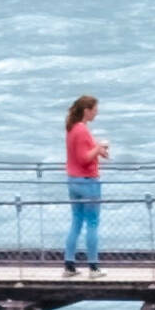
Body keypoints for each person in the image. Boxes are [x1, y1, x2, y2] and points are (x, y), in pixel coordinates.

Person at [60, 94, 105, 273]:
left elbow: (81, 154)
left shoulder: (71, 129)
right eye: (95, 109)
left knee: (76, 221)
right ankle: (93, 266)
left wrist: (98, 150)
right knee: (92, 223)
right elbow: (84, 158)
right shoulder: (82, 130)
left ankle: (69, 263)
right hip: (87, 181)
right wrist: (98, 148)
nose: (97, 113)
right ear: (86, 111)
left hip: (73, 180)